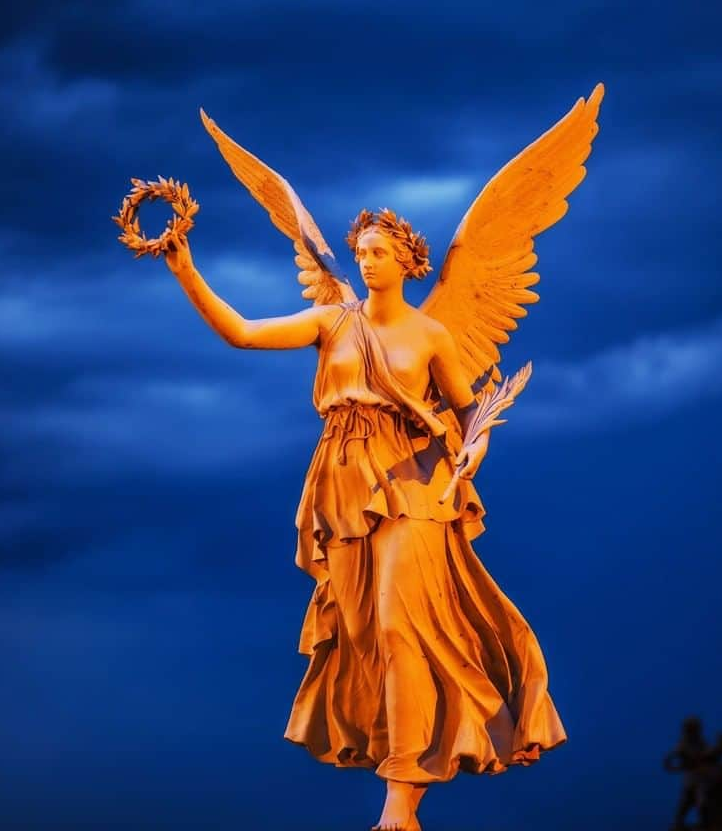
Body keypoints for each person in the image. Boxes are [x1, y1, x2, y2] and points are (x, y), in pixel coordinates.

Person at [161, 209, 566, 831]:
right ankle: (406, 772)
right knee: (364, 637)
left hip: (413, 481)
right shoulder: (332, 322)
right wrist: (186, 270)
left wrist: (473, 447)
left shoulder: (430, 335)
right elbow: (242, 332)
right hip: (342, 480)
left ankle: (398, 806)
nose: (367, 262)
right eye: (362, 253)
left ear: (406, 261)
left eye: (379, 252)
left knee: (401, 623)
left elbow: (468, 414)